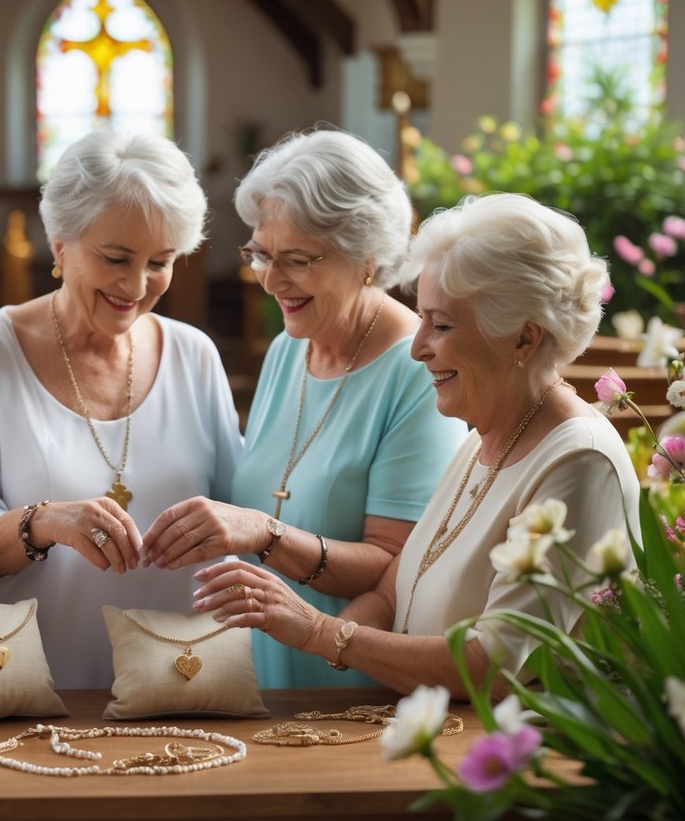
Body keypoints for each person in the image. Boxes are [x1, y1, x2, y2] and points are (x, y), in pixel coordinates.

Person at [192, 192, 640, 695]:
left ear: (524, 338)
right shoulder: (484, 439)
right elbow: (391, 595)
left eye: (441, 325)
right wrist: (294, 628)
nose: (417, 347)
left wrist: (319, 632)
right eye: (420, 317)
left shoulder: (579, 459)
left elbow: (491, 665)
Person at [142, 129, 468, 688]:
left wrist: (264, 533)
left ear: (366, 257)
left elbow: (399, 566)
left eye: (295, 260)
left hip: (351, 685)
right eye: (260, 255)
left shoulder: (416, 371)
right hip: (264, 678)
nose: (271, 280)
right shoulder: (288, 350)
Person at [0, 130, 242, 689]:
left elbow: (237, 513)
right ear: (60, 245)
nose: (136, 285)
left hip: (183, 685)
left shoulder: (194, 354)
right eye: (116, 257)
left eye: (160, 262)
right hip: (33, 686)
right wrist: (43, 522)